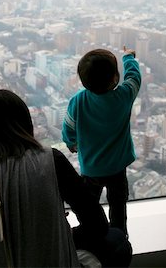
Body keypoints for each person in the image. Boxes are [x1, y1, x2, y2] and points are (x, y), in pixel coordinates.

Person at [0, 89, 132, 268]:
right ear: (26, 123)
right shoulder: (51, 159)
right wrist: (61, 233)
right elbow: (97, 224)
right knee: (118, 240)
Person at [62, 46, 141, 236]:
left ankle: (92, 232)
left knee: (89, 207)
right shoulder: (124, 96)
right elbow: (134, 78)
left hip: (91, 169)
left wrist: (71, 143)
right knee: (118, 206)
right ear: (115, 78)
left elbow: (68, 128)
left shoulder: (78, 101)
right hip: (117, 168)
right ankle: (120, 236)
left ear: (83, 81)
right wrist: (128, 58)